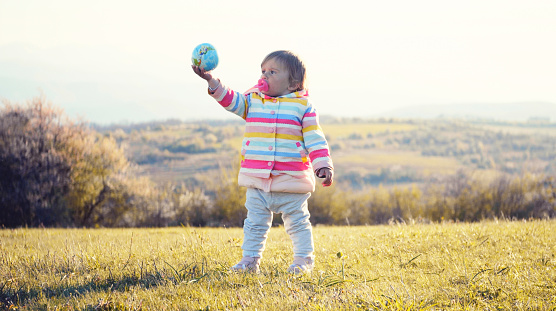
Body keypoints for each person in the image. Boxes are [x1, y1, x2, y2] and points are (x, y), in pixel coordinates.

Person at [191, 50, 334, 274]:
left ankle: (303, 261)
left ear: (293, 82)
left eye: (272, 72)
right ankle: (249, 261)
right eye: (263, 71)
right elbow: (231, 100)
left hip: (291, 179)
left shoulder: (303, 106)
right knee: (254, 224)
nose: (264, 76)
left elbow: (315, 139)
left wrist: (323, 164)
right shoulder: (253, 100)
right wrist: (212, 81)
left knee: (298, 224)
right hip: (257, 179)